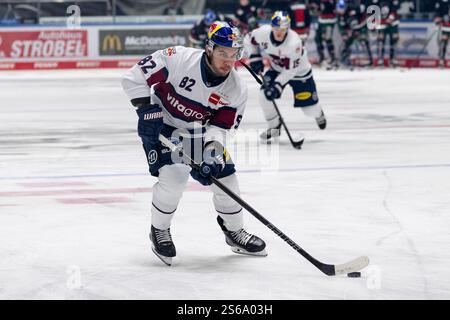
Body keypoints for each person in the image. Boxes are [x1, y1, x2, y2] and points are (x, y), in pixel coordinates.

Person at [121, 21, 267, 266]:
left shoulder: (236, 89)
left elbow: (222, 128)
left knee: (226, 177)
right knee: (175, 175)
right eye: (222, 53)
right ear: (209, 48)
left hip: (197, 132)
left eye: (234, 54)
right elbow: (134, 77)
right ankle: (159, 230)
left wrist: (211, 152)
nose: (228, 60)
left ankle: (234, 231)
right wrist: (146, 108)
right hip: (162, 125)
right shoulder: (178, 58)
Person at [246, 11, 327, 142]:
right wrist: (254, 57)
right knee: (264, 95)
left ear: (287, 28)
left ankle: (318, 113)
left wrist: (277, 86)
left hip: (299, 73)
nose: (279, 32)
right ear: (272, 26)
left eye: (283, 29)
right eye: (277, 28)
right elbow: (249, 40)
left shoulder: (294, 43)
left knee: (309, 110)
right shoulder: (263, 33)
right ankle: (275, 127)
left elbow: (290, 71)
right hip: (277, 69)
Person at [310, 0, 338, 67]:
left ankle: (333, 59)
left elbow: (336, 7)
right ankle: (322, 58)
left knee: (328, 38)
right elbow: (315, 8)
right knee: (317, 38)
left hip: (329, 20)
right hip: (321, 20)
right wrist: (314, 7)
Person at [374, 0, 400, 67]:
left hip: (393, 23)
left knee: (394, 40)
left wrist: (391, 18)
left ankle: (393, 59)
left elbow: (395, 8)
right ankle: (380, 59)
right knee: (380, 40)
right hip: (382, 22)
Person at [434, 0, 450, 68]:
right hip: (445, 27)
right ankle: (441, 61)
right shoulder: (439, 3)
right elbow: (437, 15)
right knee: (443, 44)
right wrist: (438, 22)